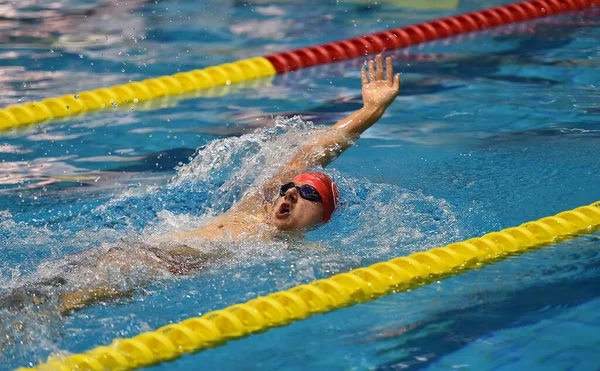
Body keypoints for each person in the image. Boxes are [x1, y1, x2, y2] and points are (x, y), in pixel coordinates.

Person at [4, 55, 401, 313]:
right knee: (26, 291)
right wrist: (367, 112)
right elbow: (312, 153)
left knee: (54, 306)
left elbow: (362, 281)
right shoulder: (251, 210)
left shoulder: (296, 253)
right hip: (131, 249)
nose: (290, 192)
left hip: (156, 267)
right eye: (288, 189)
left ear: (322, 218)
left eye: (308, 193)